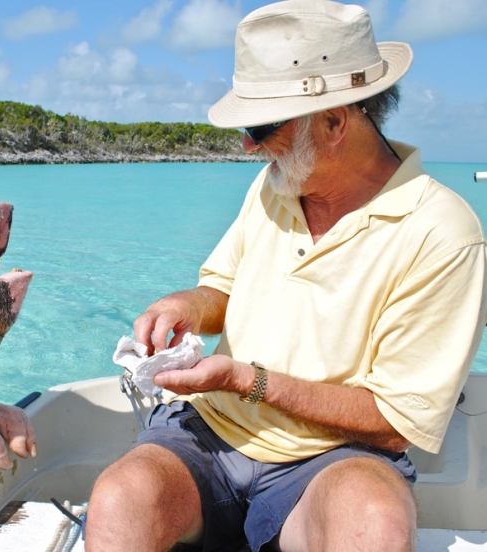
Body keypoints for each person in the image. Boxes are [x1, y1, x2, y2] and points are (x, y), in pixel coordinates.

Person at [85, 1, 487, 551]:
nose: (248, 145)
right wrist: (182, 306)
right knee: (119, 498)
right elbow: (219, 290)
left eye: (261, 126)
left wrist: (244, 380)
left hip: (333, 458)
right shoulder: (276, 185)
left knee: (373, 518)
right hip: (209, 433)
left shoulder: (444, 234)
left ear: (335, 121)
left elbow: (397, 425)